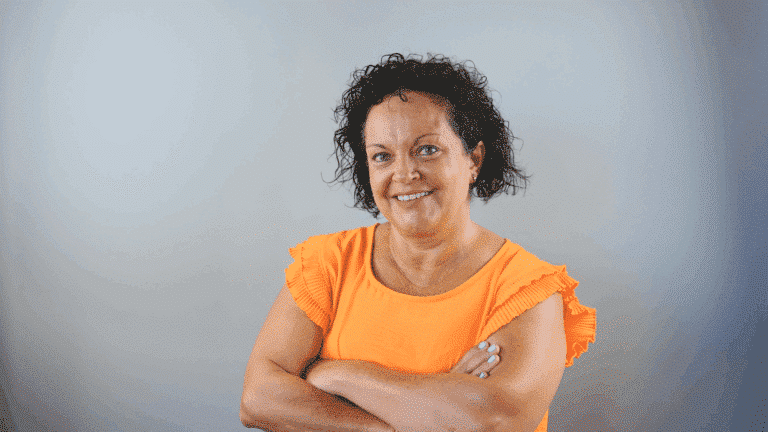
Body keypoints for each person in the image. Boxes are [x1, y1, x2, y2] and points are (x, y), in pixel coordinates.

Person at [240, 53, 596, 432]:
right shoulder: (328, 263)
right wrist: (408, 420)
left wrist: (335, 376)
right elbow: (259, 399)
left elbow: (494, 421)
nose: (404, 173)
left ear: (474, 160)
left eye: (427, 149)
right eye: (382, 156)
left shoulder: (527, 289)